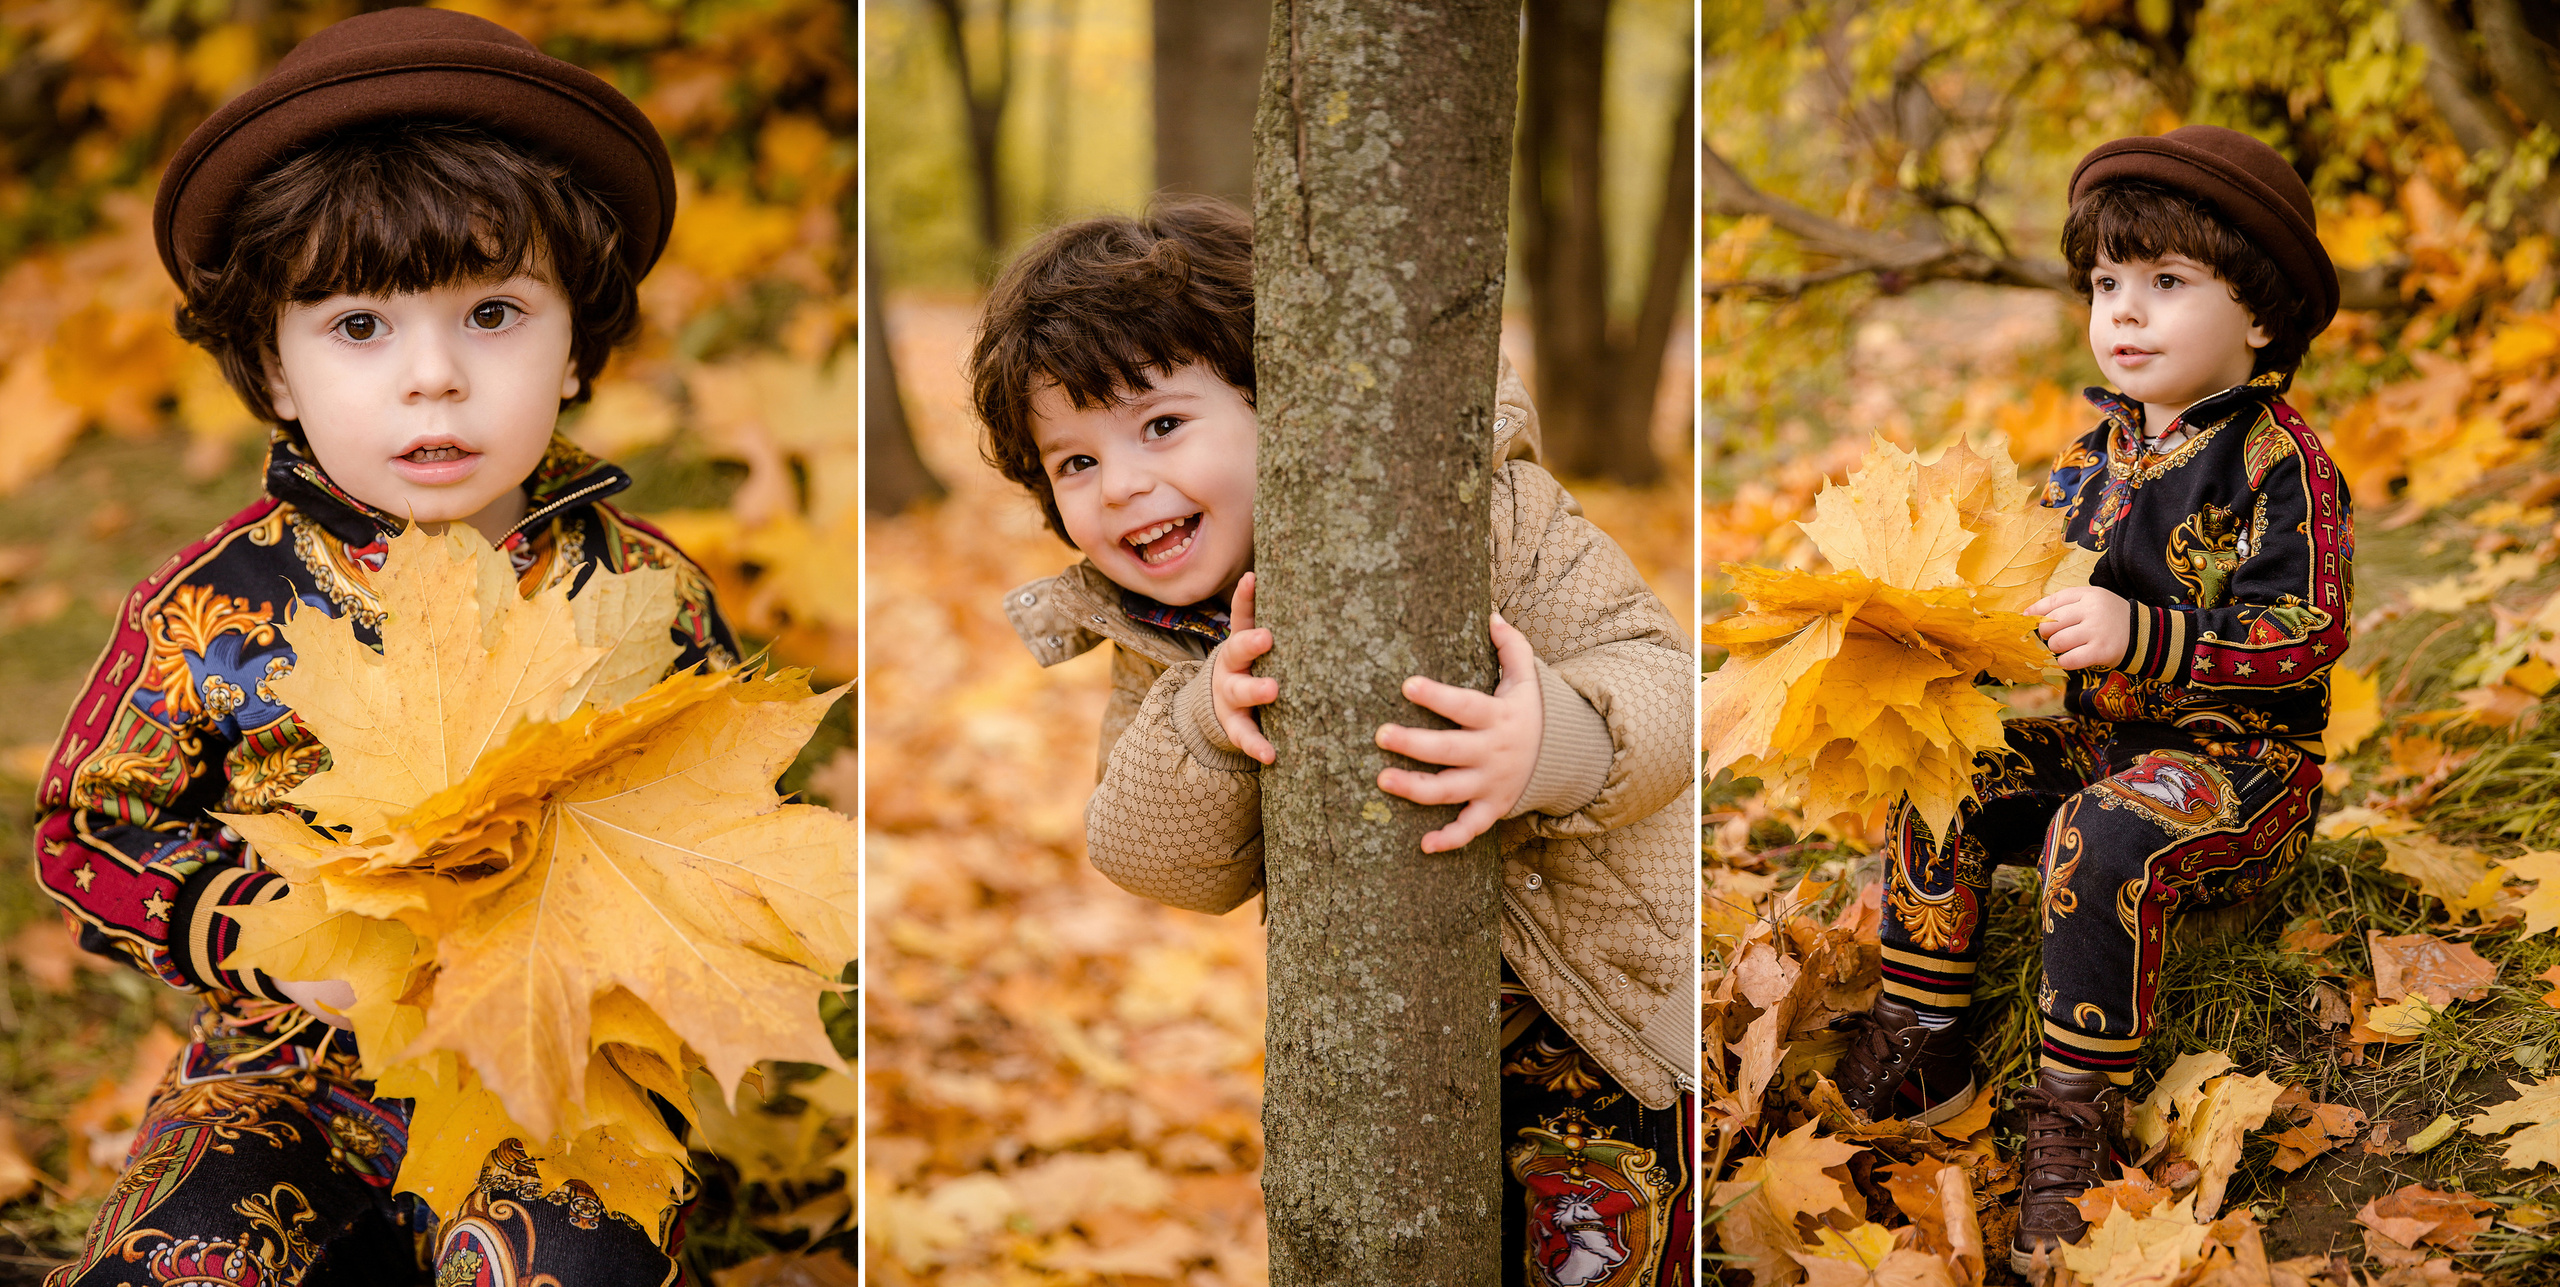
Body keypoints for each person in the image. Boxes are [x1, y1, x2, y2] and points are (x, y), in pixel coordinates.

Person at [31, 10, 735, 1283]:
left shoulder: (646, 593)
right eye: (359, 326)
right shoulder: (214, 609)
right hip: (282, 1073)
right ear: (274, 367)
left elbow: (727, 819)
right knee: (186, 1262)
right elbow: (91, 827)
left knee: (568, 1269)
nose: (433, 378)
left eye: (493, 314)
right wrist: (258, 936)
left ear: (576, 344)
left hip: (553, 1070)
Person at [969, 198, 1698, 1285]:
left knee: (1594, 1247)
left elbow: (1665, 683)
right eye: (1073, 463)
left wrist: (1548, 740)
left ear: (1286, 407)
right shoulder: (1165, 636)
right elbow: (1142, 851)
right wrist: (1204, 721)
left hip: (1603, 1015)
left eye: (1161, 426)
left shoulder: (1482, 513)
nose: (1120, 485)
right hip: (1390, 1047)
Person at [1831, 124, 2349, 1270]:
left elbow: (2304, 639)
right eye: (2107, 282)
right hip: (2104, 738)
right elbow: (2036, 600)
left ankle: (2075, 1121)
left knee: (2098, 830)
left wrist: (2143, 633)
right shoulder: (2089, 457)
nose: (2123, 311)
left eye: (2166, 283)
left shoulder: (2280, 464)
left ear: (2258, 317)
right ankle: (1922, 1035)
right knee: (1946, 770)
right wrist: (1956, 635)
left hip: (2239, 772)